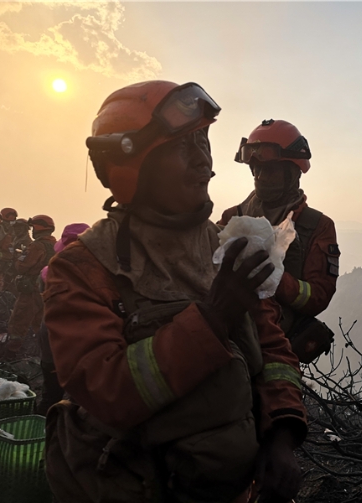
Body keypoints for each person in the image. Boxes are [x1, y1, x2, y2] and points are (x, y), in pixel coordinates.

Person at [43, 80, 306, 503]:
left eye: (204, 143)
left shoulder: (224, 244)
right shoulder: (84, 267)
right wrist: (213, 318)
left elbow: (273, 350)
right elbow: (106, 390)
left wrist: (282, 434)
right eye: (184, 146)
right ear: (133, 166)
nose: (206, 163)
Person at [219, 119, 340, 363]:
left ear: (292, 172)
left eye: (270, 169)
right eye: (256, 169)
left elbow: (318, 296)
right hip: (226, 339)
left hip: (279, 348)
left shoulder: (316, 226)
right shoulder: (233, 218)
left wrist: (275, 279)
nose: (260, 176)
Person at [36, 222, 89, 415]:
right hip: (80, 340)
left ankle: (42, 426)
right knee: (81, 397)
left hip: (50, 333)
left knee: (51, 392)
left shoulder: (48, 272)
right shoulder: (98, 273)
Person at [5, 214, 56, 359]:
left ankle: (11, 353)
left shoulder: (36, 246)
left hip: (31, 290)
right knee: (41, 322)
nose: (32, 231)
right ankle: (43, 355)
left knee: (19, 320)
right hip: (48, 289)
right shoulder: (55, 245)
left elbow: (22, 267)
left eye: (33, 228)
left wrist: (18, 258)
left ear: (38, 229)